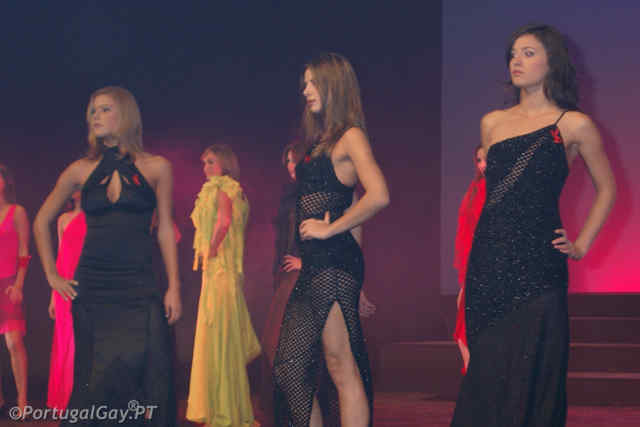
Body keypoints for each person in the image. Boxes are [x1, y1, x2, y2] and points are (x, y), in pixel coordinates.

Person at [451, 25, 616, 426]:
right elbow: (490, 196)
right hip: (488, 264)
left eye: (528, 53)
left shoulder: (573, 124)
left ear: (551, 61)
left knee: (534, 374)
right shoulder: (492, 123)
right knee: (487, 374)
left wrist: (581, 245)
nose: (517, 61)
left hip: (539, 267)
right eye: (513, 54)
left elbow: (608, 188)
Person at [33, 86, 182, 426]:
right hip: (94, 286)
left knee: (147, 372)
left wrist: (173, 286)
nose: (95, 116)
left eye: (104, 109)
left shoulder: (158, 167)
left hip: (139, 284)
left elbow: (164, 228)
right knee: (96, 378)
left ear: (126, 114)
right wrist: (52, 276)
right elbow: (41, 222)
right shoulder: (80, 170)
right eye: (92, 111)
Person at [273, 53, 389, 426]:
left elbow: (379, 195)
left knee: (340, 365)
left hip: (335, 262)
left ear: (334, 85)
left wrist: (330, 228)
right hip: (319, 265)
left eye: (313, 82)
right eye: (304, 83)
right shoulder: (319, 141)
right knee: (290, 367)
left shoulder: (350, 136)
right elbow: (351, 202)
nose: (305, 90)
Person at [259, 144, 375, 425]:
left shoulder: (337, 176)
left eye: (295, 160)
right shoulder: (294, 194)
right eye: (287, 161)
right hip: (297, 279)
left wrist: (355, 285)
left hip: (324, 274)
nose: (291, 166)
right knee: (290, 365)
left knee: (338, 362)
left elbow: (356, 220)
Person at [186, 144, 261, 427]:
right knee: (223, 339)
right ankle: (226, 407)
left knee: (218, 337)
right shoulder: (236, 191)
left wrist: (212, 248)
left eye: (211, 162)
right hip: (226, 273)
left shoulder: (221, 188)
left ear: (225, 164)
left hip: (219, 271)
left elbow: (224, 221)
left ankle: (223, 412)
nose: (205, 168)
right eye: (204, 162)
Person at [47, 191, 86, 411]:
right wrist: (53, 296)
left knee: (82, 339)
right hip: (64, 284)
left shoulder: (96, 218)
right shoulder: (63, 219)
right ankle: (65, 399)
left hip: (86, 282)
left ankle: (82, 398)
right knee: (65, 339)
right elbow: (60, 256)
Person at [452, 146, 486, 374]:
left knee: (470, 329)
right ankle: (473, 379)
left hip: (488, 267)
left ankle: (475, 379)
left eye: (487, 159)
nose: (483, 165)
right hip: (473, 266)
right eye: (479, 160)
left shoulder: (495, 190)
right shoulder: (475, 188)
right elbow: (466, 232)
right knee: (465, 329)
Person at [0, 164, 29, 413]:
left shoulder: (16, 211)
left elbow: (23, 251)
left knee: (13, 342)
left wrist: (19, 283)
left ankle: (22, 400)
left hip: (9, 283)